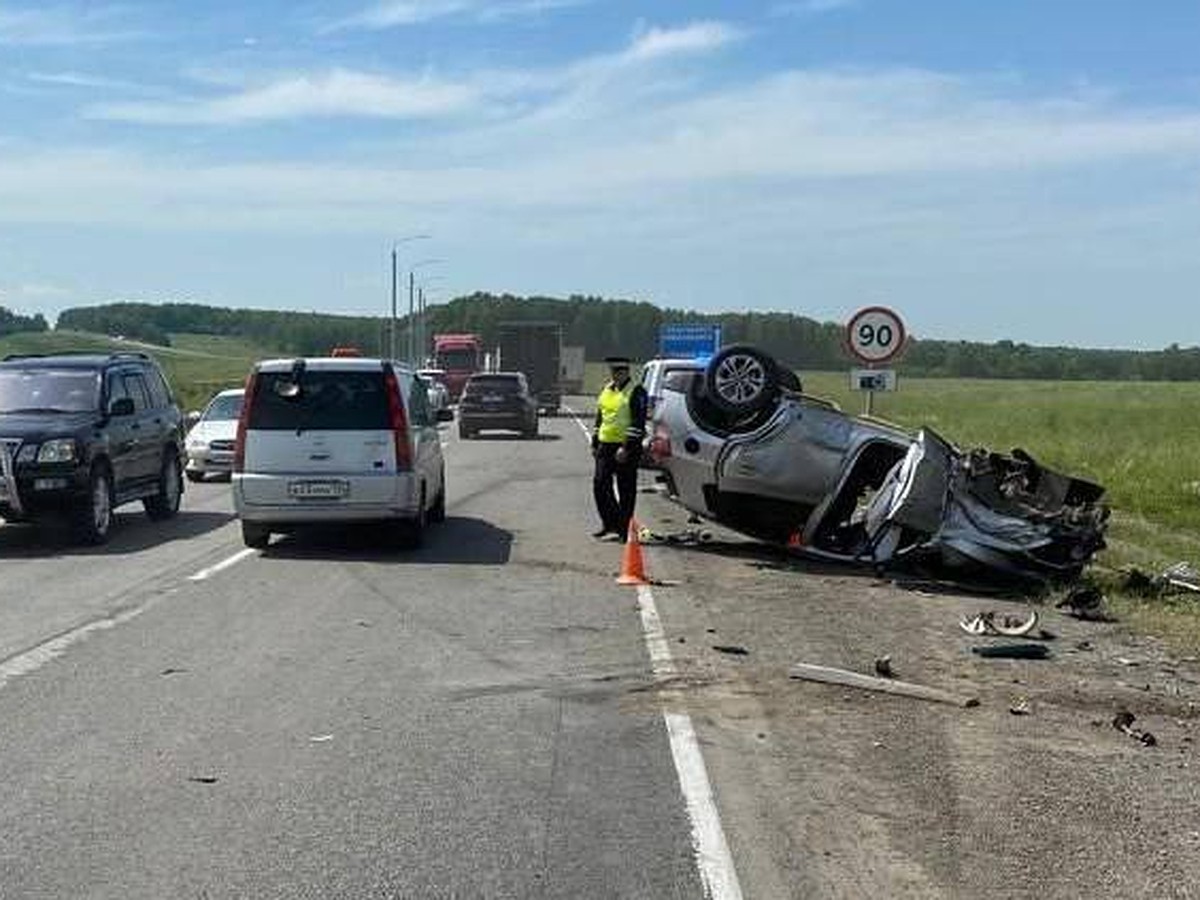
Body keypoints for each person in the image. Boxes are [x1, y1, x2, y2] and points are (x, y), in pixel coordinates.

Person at [591, 356, 648, 542]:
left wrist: (626, 447)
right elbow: (601, 417)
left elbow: (638, 422)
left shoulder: (636, 391)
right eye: (613, 372)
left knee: (626, 490)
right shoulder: (607, 389)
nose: (615, 375)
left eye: (619, 372)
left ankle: (625, 529)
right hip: (605, 445)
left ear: (626, 372)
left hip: (626, 446)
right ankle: (610, 523)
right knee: (600, 484)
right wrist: (595, 441)